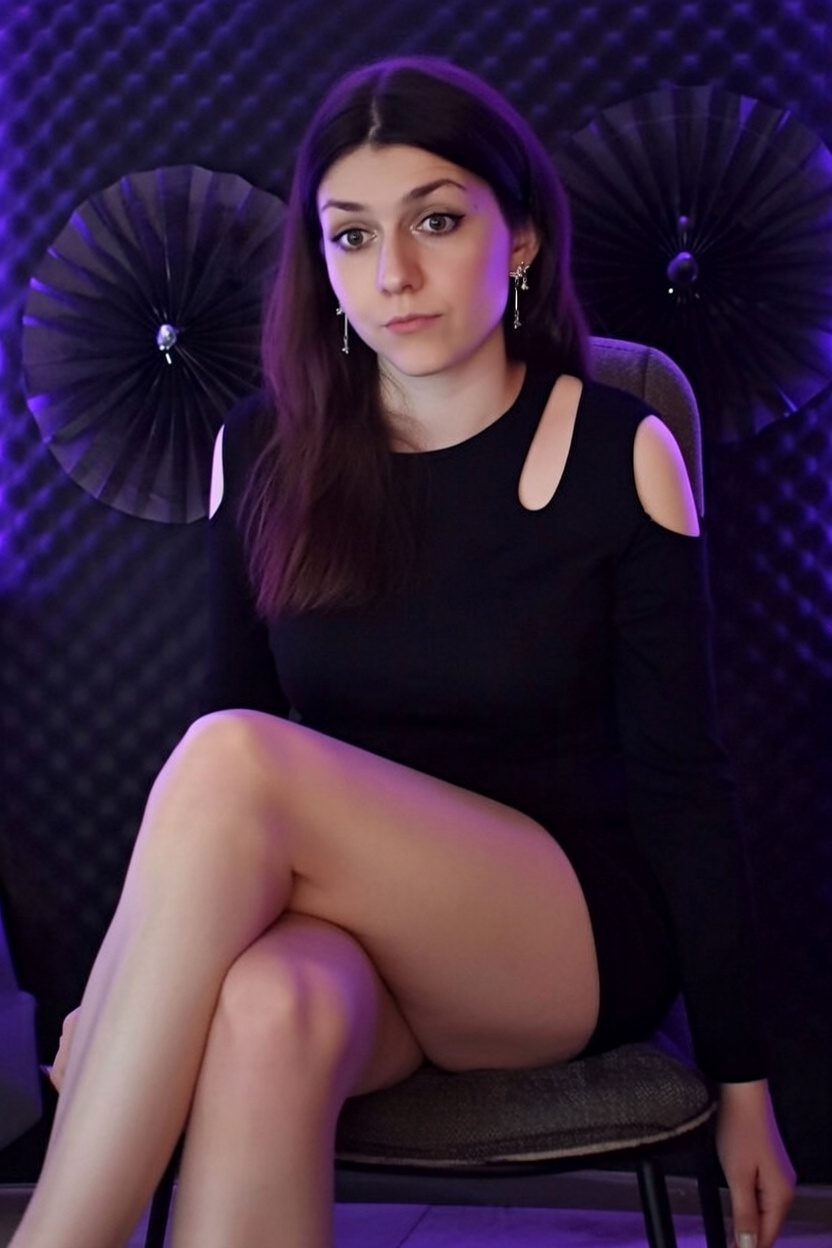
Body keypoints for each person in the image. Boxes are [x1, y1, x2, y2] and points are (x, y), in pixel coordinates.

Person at [13, 56, 794, 1248]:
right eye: (351, 235)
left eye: (435, 220)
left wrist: (744, 1085)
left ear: (518, 239)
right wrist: (131, 980)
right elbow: (225, 738)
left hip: (558, 938)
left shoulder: (621, 450)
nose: (393, 275)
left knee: (231, 758)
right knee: (266, 1006)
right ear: (320, 262)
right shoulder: (263, 452)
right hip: (352, 948)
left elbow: (685, 786)